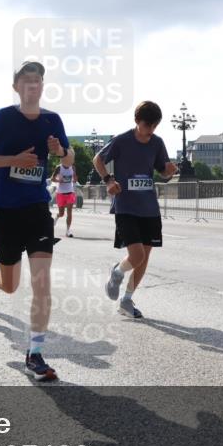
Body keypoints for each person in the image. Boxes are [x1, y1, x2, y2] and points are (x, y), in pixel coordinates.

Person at [0, 61, 71, 381]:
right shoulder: (0, 119)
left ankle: (36, 352)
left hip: (38, 209)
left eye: (38, 80)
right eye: (27, 80)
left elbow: (69, 157)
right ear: (16, 87)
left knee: (42, 282)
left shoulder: (52, 120)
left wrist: (60, 152)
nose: (33, 85)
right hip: (4, 211)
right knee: (10, 284)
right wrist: (12, 160)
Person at [94, 100, 178, 319]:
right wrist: (108, 180)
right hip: (126, 206)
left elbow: (162, 171)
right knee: (136, 255)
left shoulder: (157, 143)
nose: (149, 131)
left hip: (149, 207)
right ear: (137, 121)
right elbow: (97, 160)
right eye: (146, 126)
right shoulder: (121, 141)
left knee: (144, 257)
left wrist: (169, 171)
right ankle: (118, 272)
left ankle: (127, 300)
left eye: (154, 126)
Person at [51, 158, 77, 238]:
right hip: (60, 193)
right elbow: (52, 178)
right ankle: (57, 217)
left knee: (69, 212)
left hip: (70, 192)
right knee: (61, 213)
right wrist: (59, 181)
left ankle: (68, 231)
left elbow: (75, 179)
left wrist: (74, 179)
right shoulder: (59, 167)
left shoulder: (72, 167)